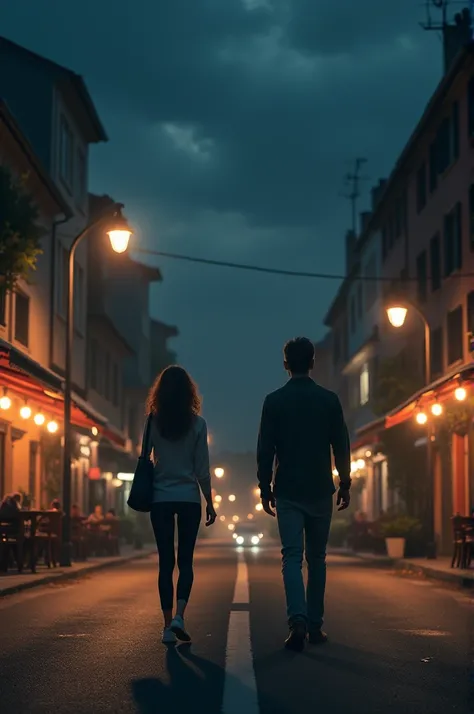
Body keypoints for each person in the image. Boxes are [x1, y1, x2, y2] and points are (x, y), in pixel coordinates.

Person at [257, 337, 351, 652]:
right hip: (320, 489)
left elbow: (264, 449)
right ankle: (315, 626)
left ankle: (297, 620)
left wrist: (264, 487)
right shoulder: (329, 400)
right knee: (318, 558)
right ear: (312, 362)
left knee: (292, 557)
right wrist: (346, 482)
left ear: (286, 364)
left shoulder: (274, 401)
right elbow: (341, 444)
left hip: (288, 490)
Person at [146, 365, 217, 645]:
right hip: (189, 498)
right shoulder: (198, 424)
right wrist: (210, 500)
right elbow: (202, 468)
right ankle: (180, 616)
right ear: (189, 393)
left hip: (160, 498)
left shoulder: (152, 421)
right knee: (185, 561)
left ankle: (166, 627)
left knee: (166, 562)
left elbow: (146, 459)